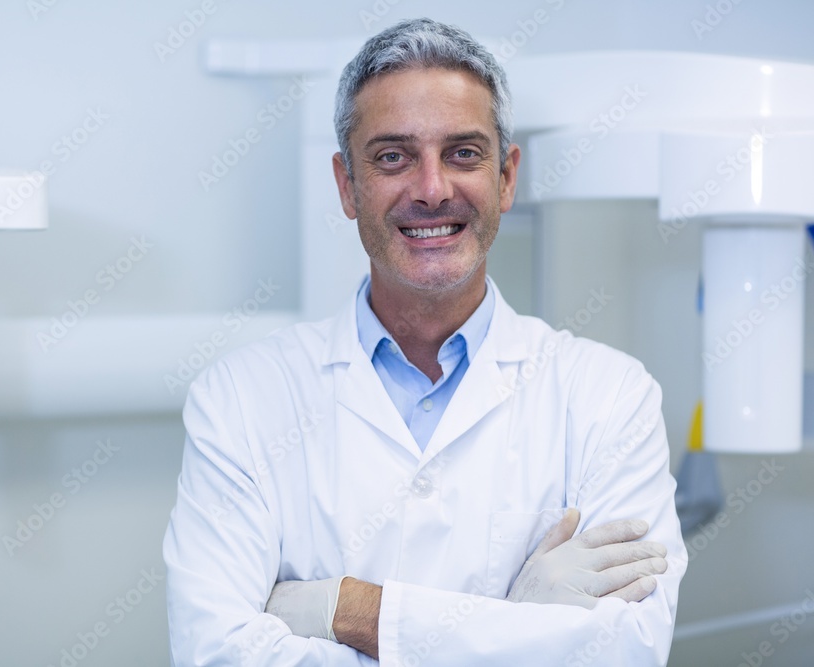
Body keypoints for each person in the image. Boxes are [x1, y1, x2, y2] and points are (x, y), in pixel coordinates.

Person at [164, 17, 686, 666]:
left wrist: (348, 609)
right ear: (347, 185)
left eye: (463, 153)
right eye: (392, 157)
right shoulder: (240, 398)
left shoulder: (610, 397)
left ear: (506, 177)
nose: (432, 188)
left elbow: (626, 652)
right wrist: (521, 627)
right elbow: (214, 652)